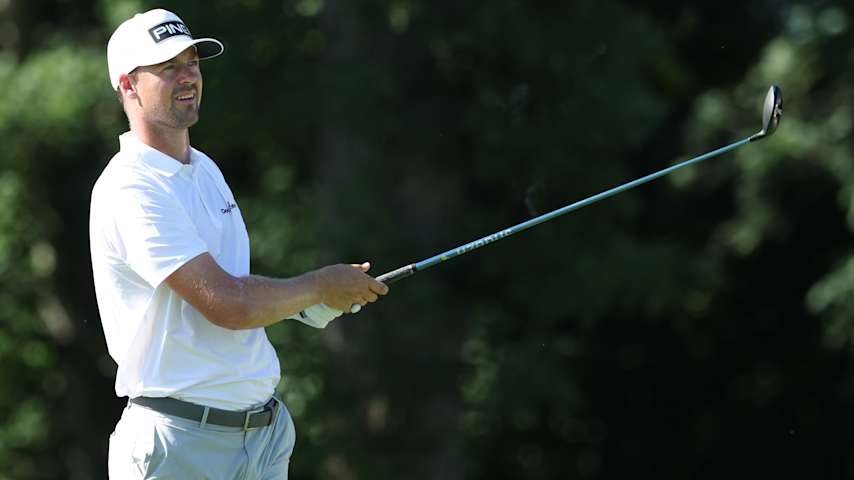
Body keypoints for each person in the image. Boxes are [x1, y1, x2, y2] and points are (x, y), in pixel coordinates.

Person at [89, 8, 388, 479]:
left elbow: (239, 292)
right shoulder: (130, 187)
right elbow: (228, 303)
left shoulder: (205, 170)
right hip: (181, 446)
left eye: (193, 62)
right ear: (128, 85)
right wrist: (316, 287)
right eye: (169, 67)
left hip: (262, 436)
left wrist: (311, 303)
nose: (188, 76)